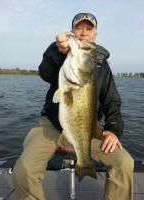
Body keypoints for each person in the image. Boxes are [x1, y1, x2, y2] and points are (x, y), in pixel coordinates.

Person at [12, 12, 134, 200]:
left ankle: (87, 166)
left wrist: (113, 129)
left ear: (95, 34)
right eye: (79, 28)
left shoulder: (103, 67)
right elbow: (45, 73)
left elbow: (113, 102)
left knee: (124, 163)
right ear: (72, 32)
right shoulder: (63, 57)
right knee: (24, 170)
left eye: (89, 28)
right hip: (51, 126)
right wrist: (55, 50)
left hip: (87, 129)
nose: (84, 32)